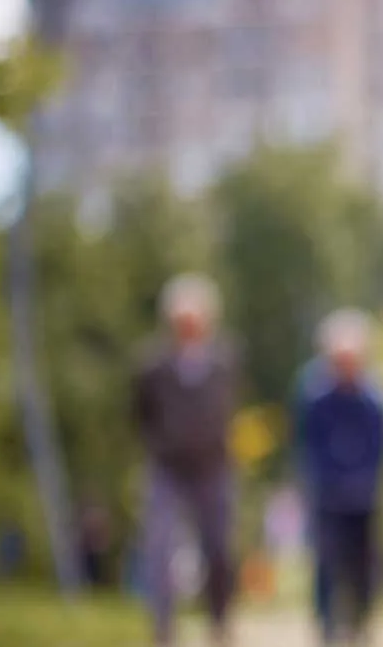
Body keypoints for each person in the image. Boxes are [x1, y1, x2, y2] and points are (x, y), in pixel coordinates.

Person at [132, 273, 242, 647]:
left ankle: (220, 622)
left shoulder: (224, 360)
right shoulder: (152, 365)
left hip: (213, 468)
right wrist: (161, 444)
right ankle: (162, 627)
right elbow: (141, 413)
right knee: (159, 547)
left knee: (218, 548)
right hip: (168, 468)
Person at [293, 308, 383, 647]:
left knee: (364, 565)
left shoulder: (374, 399)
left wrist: (364, 481)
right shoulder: (314, 396)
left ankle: (362, 623)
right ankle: (326, 625)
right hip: (327, 492)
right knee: (326, 562)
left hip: (363, 494)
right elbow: (308, 443)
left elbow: (380, 447)